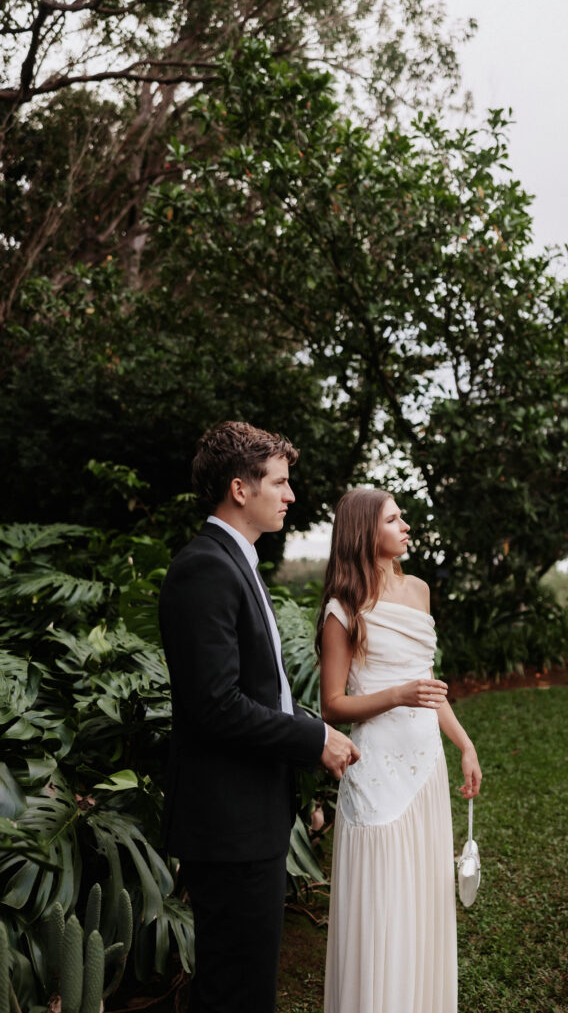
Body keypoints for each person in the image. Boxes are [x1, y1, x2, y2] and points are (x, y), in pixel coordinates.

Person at [159, 421, 359, 1013]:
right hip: (228, 823)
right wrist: (311, 736)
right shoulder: (205, 568)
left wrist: (310, 728)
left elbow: (260, 689)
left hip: (250, 816)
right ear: (240, 489)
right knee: (234, 991)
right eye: (280, 482)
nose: (291, 495)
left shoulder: (236, 561)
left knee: (247, 983)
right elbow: (215, 705)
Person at [316, 487, 482, 1013]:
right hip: (376, 776)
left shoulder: (419, 591)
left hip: (425, 767)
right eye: (394, 518)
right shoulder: (343, 608)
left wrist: (463, 743)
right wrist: (397, 696)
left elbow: (427, 685)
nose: (406, 525)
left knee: (423, 905)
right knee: (383, 906)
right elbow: (333, 706)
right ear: (367, 532)